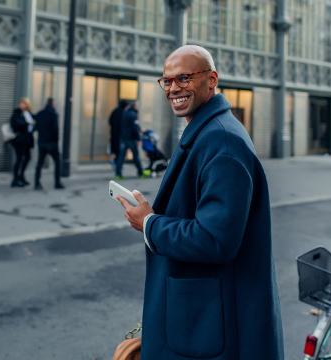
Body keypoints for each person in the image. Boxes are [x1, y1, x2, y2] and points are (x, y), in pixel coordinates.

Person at [116, 45, 284, 359]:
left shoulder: (221, 140)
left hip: (212, 329)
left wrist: (150, 223)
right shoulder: (209, 131)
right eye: (166, 81)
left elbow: (215, 240)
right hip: (203, 320)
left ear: (212, 80)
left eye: (184, 78)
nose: (173, 88)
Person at [33, 98, 64, 190]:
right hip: (52, 143)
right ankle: (57, 183)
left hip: (42, 142)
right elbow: (55, 129)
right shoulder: (54, 115)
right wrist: (56, 140)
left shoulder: (39, 114)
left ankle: (37, 183)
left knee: (39, 163)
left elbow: (35, 127)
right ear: (52, 104)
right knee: (57, 163)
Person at [9, 98, 35, 187]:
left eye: (25, 103)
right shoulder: (16, 113)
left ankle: (21, 176)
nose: (23, 105)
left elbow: (34, 124)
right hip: (19, 140)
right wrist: (27, 124)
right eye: (22, 103)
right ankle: (15, 180)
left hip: (27, 140)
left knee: (28, 158)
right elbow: (15, 124)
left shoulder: (29, 114)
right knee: (19, 159)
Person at [114, 102, 144, 178]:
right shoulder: (133, 115)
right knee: (136, 156)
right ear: (134, 106)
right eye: (137, 106)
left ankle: (118, 174)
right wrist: (138, 139)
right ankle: (140, 172)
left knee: (121, 157)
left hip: (123, 138)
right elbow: (135, 127)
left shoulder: (124, 113)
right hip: (131, 139)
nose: (138, 107)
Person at [108, 100, 127, 167]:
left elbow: (110, 121)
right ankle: (117, 164)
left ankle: (115, 162)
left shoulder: (115, 111)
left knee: (114, 148)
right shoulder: (124, 113)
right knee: (120, 150)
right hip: (120, 135)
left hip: (113, 133)